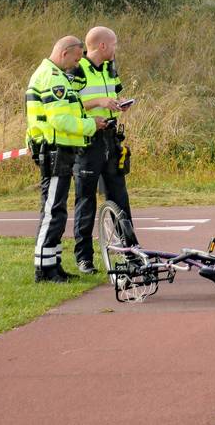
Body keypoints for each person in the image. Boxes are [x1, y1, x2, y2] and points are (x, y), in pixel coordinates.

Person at [26, 36, 109, 282]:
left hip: (59, 150)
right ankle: (44, 268)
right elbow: (60, 120)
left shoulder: (54, 75)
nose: (76, 64)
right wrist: (90, 125)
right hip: (54, 150)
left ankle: (54, 264)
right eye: (75, 59)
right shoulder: (52, 79)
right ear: (64, 53)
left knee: (58, 210)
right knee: (52, 210)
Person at [70, 26, 133, 274]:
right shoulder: (78, 70)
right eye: (114, 44)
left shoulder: (110, 68)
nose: (116, 49)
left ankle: (130, 251)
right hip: (88, 142)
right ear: (102, 46)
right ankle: (84, 258)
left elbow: (112, 94)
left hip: (110, 138)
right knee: (85, 201)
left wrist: (117, 105)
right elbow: (69, 105)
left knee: (120, 197)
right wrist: (98, 102)